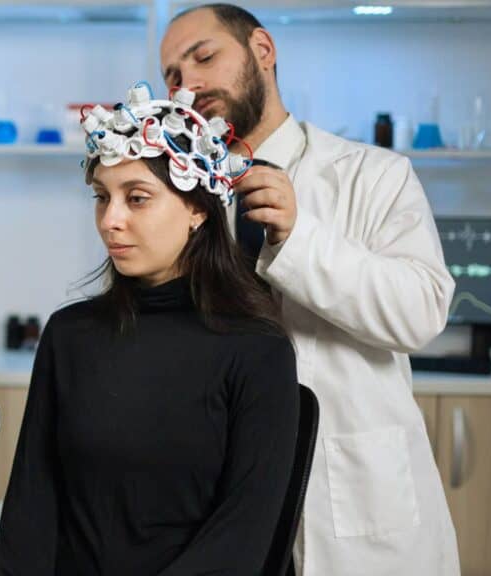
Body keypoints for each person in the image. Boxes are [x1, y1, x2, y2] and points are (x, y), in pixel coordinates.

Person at [160, 5, 459, 575]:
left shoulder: (373, 175)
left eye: (203, 57)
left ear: (263, 52)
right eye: (172, 75)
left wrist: (301, 238)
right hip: (228, 500)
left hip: (352, 501)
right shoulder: (187, 200)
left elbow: (423, 311)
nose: (188, 84)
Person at [0, 85, 300, 574]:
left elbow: (244, 537)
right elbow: (31, 507)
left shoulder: (257, 350)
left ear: (197, 209)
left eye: (137, 199)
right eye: (101, 198)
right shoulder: (69, 336)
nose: (110, 221)